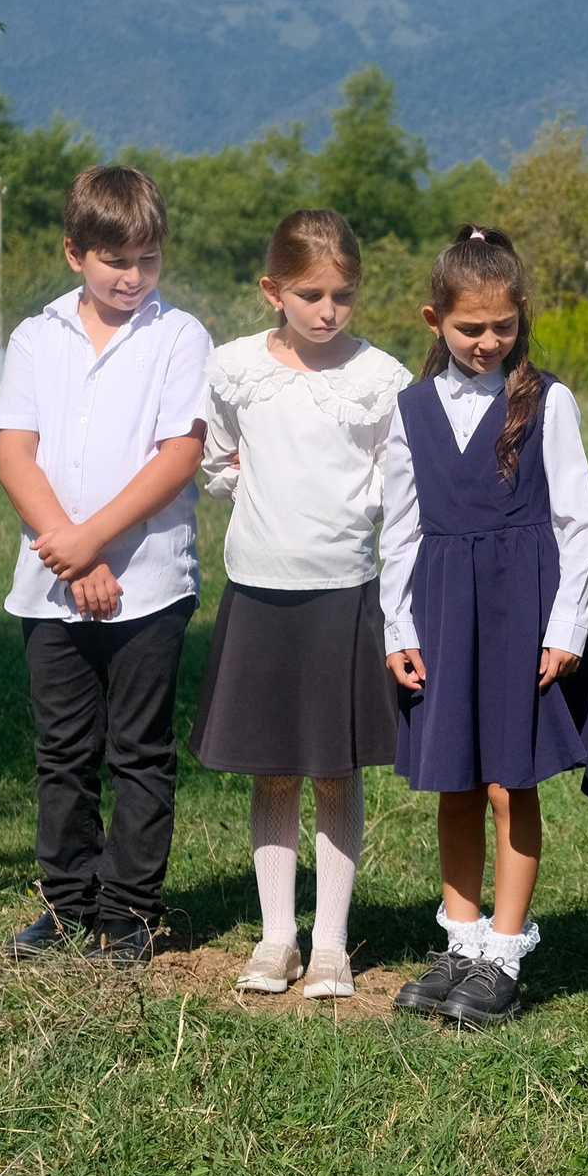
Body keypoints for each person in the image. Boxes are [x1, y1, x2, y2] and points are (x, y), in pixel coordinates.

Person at [0, 166, 211, 966]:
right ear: (74, 252)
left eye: (147, 260)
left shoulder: (179, 336)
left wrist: (97, 541)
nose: (132, 277)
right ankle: (66, 901)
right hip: (51, 585)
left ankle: (128, 911)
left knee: (140, 751)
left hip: (148, 584)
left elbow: (179, 453)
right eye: (116, 260)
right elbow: (15, 449)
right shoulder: (34, 336)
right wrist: (67, 543)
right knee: (63, 751)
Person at [382, 225, 588, 1030]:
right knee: (457, 780)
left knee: (511, 782)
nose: (486, 341)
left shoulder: (549, 400)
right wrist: (395, 626)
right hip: (442, 612)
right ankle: (460, 940)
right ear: (434, 318)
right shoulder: (410, 407)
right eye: (470, 327)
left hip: (521, 612)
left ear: (520, 319)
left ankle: (504, 953)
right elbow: (398, 528)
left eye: (502, 326)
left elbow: (578, 522)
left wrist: (565, 624)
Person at [190, 210, 410, 1000]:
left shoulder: (381, 379)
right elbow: (216, 457)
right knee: (273, 768)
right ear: (272, 290)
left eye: (343, 295)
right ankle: (277, 936)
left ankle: (330, 945)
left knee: (334, 768)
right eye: (311, 294)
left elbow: (399, 481)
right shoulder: (235, 367)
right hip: (258, 589)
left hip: (343, 593)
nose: (328, 310)